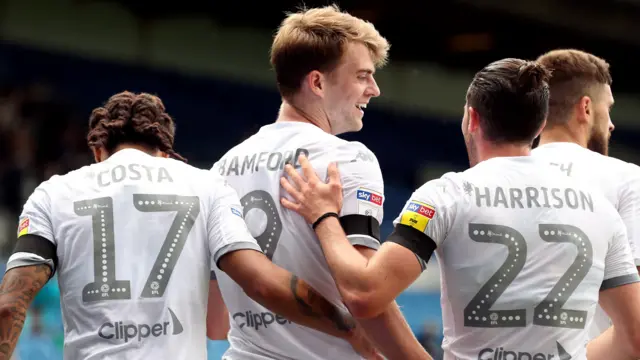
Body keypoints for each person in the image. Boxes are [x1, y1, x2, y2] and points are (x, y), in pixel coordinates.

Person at [280, 59, 640, 359]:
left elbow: (365, 294)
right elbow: (634, 337)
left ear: (472, 119)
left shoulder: (447, 194)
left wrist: (323, 216)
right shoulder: (599, 208)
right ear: (539, 126)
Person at [0, 91, 377, 360]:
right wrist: (350, 329)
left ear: (98, 151)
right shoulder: (205, 185)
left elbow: (8, 306)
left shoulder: (52, 194)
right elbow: (262, 281)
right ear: (165, 149)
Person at [207, 5, 429, 360]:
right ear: (318, 82)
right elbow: (366, 299)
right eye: (362, 76)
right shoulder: (347, 159)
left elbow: (214, 323)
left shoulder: (220, 170)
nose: (374, 90)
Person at [532, 49, 640, 340]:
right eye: (609, 109)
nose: (611, 124)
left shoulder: (496, 177)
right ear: (586, 108)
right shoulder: (627, 179)